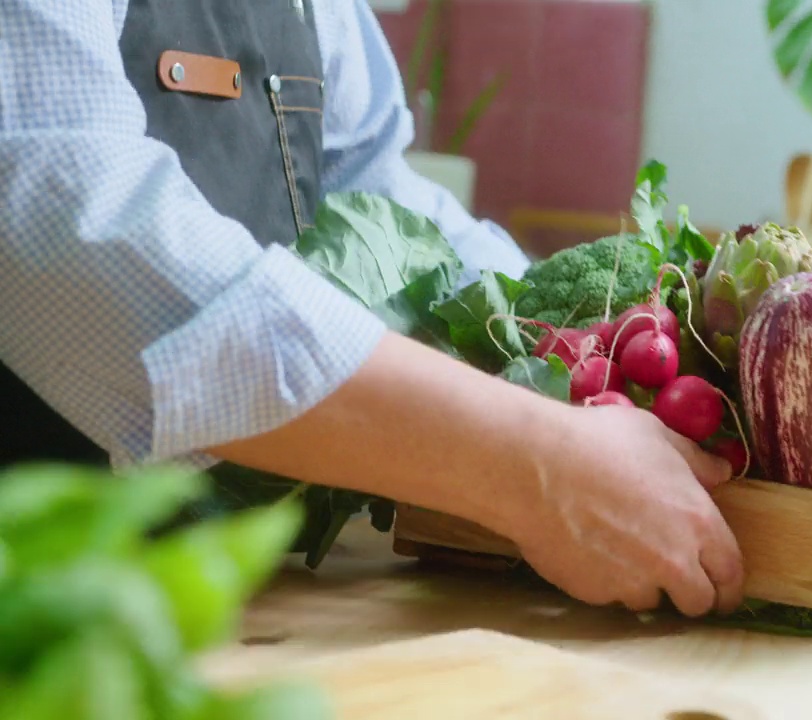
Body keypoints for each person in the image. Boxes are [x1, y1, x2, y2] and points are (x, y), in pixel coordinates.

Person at [0, 0, 744, 617]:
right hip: (39, 610)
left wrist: (596, 340)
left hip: (257, 606)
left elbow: (377, 192)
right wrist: (535, 466)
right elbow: (62, 224)